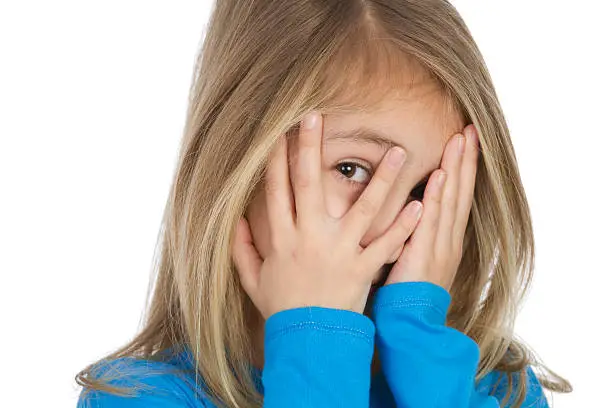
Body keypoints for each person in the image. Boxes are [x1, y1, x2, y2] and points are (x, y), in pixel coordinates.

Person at [75, 1, 572, 407]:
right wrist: (316, 338)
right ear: (235, 162)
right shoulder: (137, 398)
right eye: (352, 170)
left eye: (427, 192)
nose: (395, 229)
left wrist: (422, 348)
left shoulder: (500, 392)